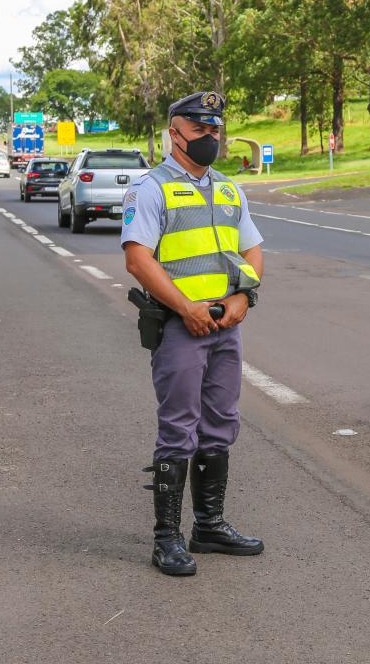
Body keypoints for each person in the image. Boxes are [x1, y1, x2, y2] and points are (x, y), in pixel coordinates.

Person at [121, 90, 265, 577]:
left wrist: (245, 297)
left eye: (215, 130)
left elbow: (253, 250)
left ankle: (209, 526)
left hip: (226, 325)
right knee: (178, 428)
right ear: (174, 133)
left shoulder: (229, 190)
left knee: (221, 422)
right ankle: (167, 539)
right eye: (200, 129)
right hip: (181, 327)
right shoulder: (150, 189)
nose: (210, 138)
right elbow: (138, 258)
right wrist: (186, 307)